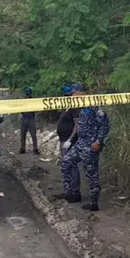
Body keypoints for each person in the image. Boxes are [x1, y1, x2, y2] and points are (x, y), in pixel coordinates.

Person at [54, 83, 110, 211]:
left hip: (90, 146)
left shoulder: (95, 105)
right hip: (80, 144)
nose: (72, 96)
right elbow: (79, 124)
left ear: (82, 93)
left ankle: (94, 203)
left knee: (91, 174)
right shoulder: (80, 106)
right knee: (66, 162)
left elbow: (105, 125)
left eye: (74, 93)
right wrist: (72, 140)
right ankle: (70, 193)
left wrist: (98, 142)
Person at [56, 85, 78, 158]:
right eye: (66, 96)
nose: (67, 97)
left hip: (69, 140)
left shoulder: (74, 108)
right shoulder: (64, 108)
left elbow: (77, 125)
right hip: (62, 139)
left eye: (69, 95)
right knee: (64, 160)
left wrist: (69, 140)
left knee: (69, 160)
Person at [19, 87, 39, 155]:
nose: (27, 95)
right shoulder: (22, 101)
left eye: (28, 94)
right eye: (26, 94)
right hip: (24, 119)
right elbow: (20, 109)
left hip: (31, 119)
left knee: (33, 135)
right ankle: (22, 148)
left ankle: (35, 148)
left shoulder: (33, 101)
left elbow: (37, 110)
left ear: (30, 94)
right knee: (23, 135)